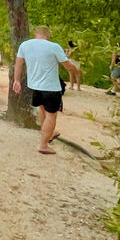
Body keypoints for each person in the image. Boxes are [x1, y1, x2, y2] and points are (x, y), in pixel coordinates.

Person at [13, 26, 80, 154]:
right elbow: (67, 65)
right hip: (51, 88)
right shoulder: (54, 46)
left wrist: (16, 80)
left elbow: (19, 63)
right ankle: (43, 145)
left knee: (42, 109)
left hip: (34, 86)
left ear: (36, 33)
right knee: (51, 115)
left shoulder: (25, 45)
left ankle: (49, 134)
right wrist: (76, 71)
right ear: (48, 34)